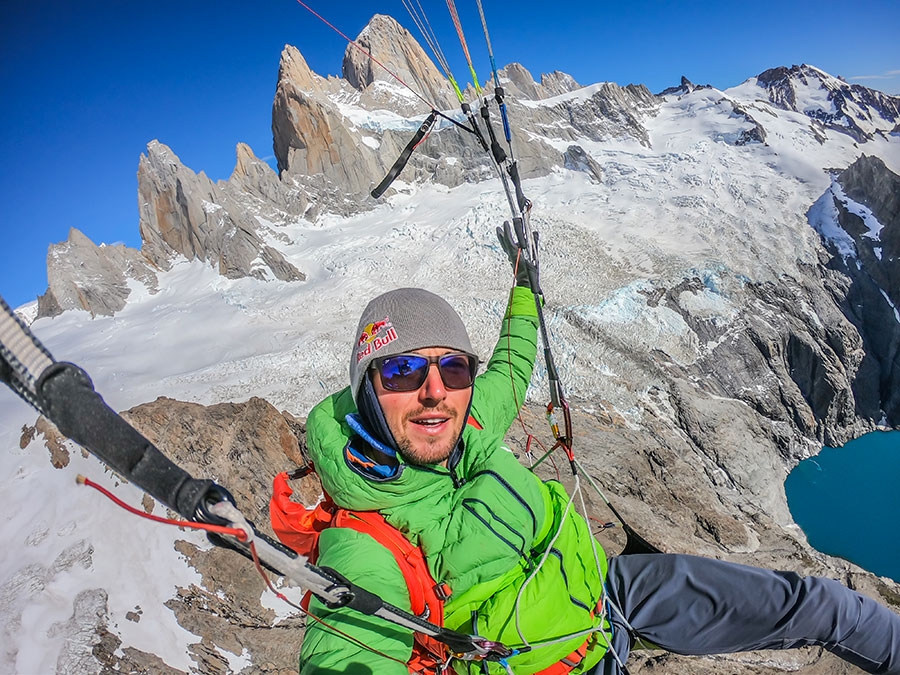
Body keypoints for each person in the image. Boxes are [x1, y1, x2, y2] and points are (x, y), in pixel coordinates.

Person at [295, 228, 900, 674]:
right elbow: (346, 651)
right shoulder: (362, 547)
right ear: (366, 388)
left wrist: (525, 284)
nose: (434, 392)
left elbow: (512, 362)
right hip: (558, 661)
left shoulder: (467, 421)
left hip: (609, 594)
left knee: (818, 602)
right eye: (401, 371)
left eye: (452, 367)